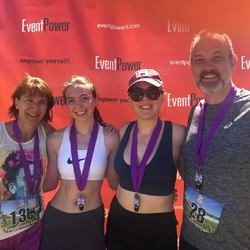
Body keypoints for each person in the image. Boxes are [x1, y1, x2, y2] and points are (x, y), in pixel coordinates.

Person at [179, 30, 250, 249]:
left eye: (217, 58)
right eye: (199, 60)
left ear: (233, 62)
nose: (207, 67)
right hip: (190, 240)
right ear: (191, 66)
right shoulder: (195, 111)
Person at [105, 69, 186, 250]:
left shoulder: (178, 134)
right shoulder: (124, 130)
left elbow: (194, 183)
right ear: (129, 99)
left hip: (157, 228)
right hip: (119, 220)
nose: (145, 100)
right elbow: (115, 181)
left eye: (153, 93)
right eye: (137, 94)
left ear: (163, 97)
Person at [40, 75, 119, 250]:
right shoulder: (55, 139)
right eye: (71, 101)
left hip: (91, 221)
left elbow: (116, 184)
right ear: (66, 105)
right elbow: (51, 183)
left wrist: (153, 187)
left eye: (84, 98)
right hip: (57, 219)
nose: (79, 106)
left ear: (95, 100)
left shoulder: (110, 138)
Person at [0, 74, 54, 250]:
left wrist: (102, 129)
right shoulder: (1, 133)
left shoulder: (48, 133)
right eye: (29, 100)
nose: (35, 108)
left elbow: (77, 136)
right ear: (17, 102)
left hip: (32, 225)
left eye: (41, 102)